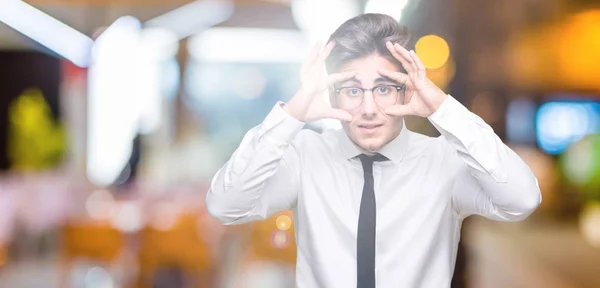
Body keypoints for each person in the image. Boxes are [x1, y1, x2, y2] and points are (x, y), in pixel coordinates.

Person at [206, 13, 541, 288]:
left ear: (406, 90)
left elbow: (521, 200)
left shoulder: (443, 161)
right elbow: (226, 206)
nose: (368, 108)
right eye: (352, 90)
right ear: (332, 95)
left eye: (383, 88)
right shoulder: (305, 156)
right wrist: (290, 115)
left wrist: (443, 108)